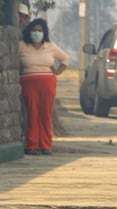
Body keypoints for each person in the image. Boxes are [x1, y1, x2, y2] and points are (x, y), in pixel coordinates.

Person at [19, 18, 70, 155]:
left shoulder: (50, 46)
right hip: (28, 82)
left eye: (40, 31)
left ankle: (46, 145)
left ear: (44, 33)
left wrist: (58, 71)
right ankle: (32, 145)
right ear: (29, 32)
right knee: (32, 113)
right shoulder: (22, 46)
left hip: (47, 82)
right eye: (34, 30)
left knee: (45, 113)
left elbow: (65, 58)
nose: (37, 33)